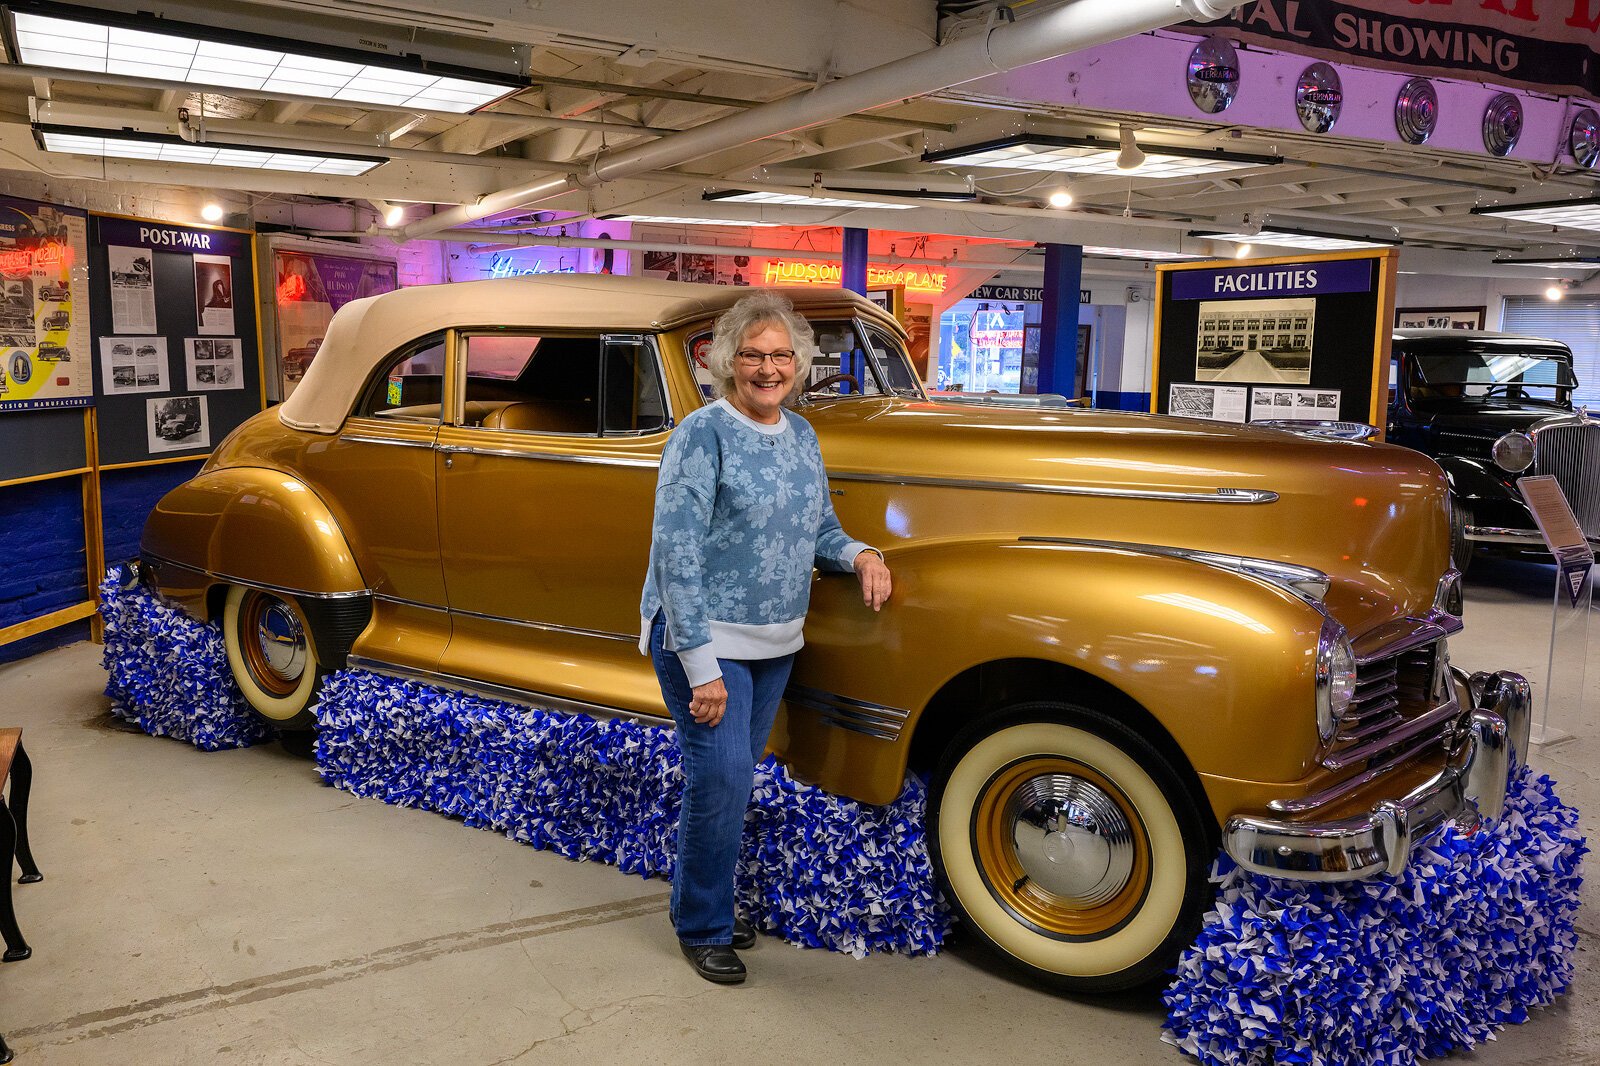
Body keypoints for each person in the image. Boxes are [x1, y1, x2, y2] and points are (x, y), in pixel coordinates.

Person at [639, 291, 892, 985]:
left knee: (732, 783)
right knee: (718, 781)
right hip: (705, 642)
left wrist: (863, 555)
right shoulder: (702, 433)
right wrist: (700, 665)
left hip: (775, 643)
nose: (768, 368)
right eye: (752, 354)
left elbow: (821, 531)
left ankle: (707, 903)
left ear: (800, 363)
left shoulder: (803, 436)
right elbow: (676, 554)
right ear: (726, 361)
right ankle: (702, 925)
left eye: (781, 355)